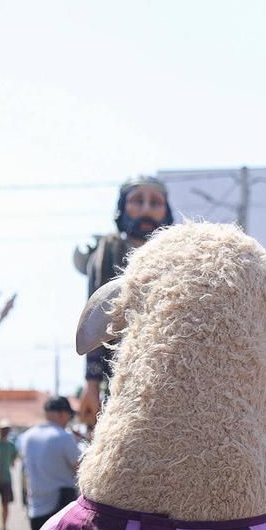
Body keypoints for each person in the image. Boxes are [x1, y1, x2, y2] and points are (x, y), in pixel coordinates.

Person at [73, 175, 174, 427]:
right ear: (122, 206)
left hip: (172, 367)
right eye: (137, 201)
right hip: (120, 369)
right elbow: (98, 316)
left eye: (155, 202)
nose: (146, 210)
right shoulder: (110, 249)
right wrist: (92, 385)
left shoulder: (176, 252)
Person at [17, 396, 81, 530]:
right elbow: (80, 467)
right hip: (60, 506)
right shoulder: (64, 437)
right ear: (62, 414)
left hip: (34, 506)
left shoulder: (27, 436)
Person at [0, 420, 18, 530]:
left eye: (6, 429)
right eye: (3, 429)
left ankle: (3, 527)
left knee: (5, 504)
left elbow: (13, 460)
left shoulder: (11, 445)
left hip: (6, 478)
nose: (5, 432)